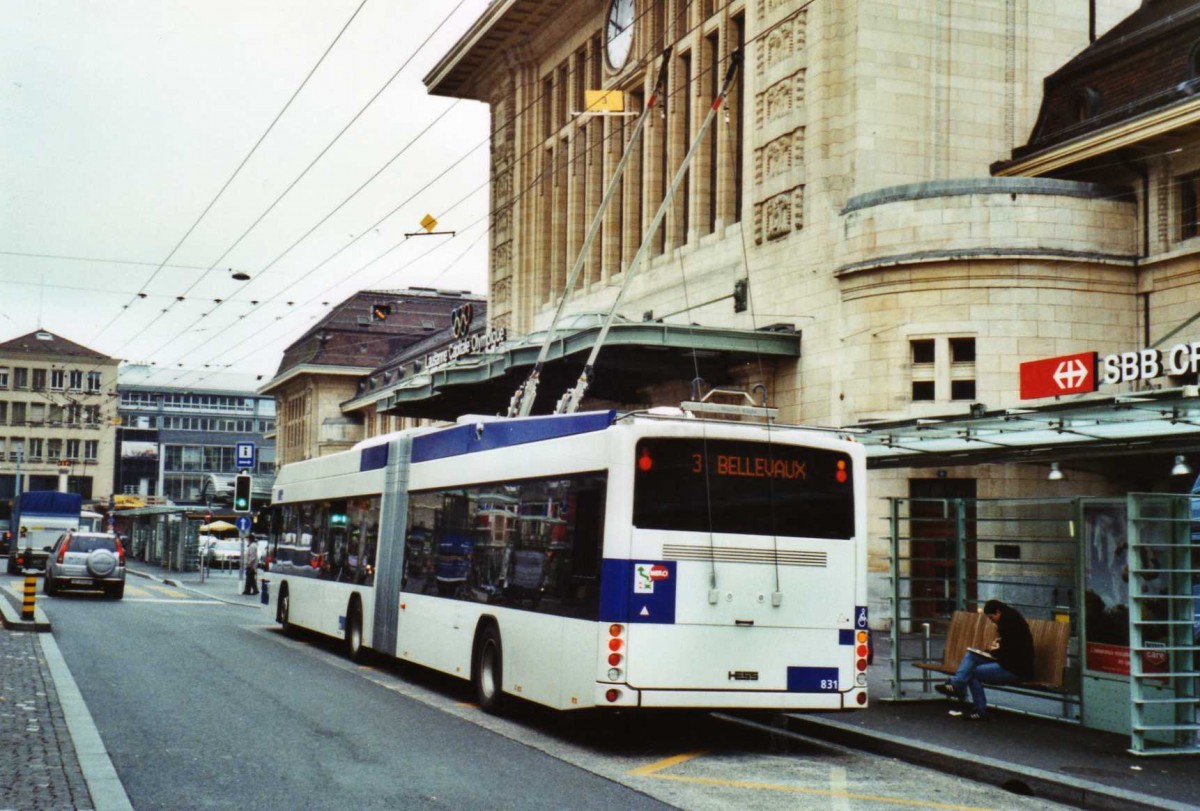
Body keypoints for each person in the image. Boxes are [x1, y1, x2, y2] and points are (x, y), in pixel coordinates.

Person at [935, 599, 1034, 721]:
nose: (991, 620)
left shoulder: (1008, 623)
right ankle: (956, 684)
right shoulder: (1010, 619)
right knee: (971, 655)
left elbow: (1010, 652)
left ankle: (980, 710)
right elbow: (1009, 646)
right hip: (1008, 663)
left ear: (998, 612)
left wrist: (994, 650)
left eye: (991, 617)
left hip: (1016, 669)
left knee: (973, 673)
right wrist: (997, 647)